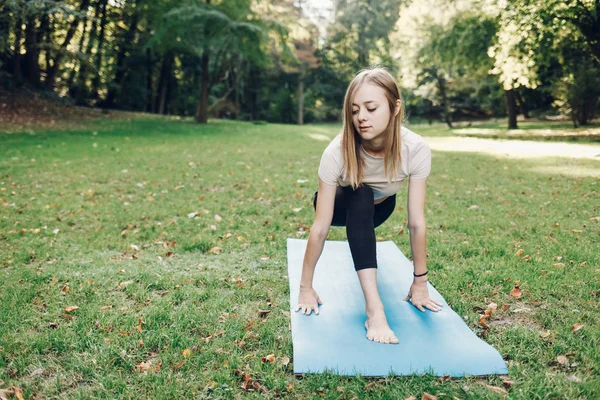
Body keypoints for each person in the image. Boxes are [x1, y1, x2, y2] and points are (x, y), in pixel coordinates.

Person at [294, 66, 443, 344]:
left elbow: (416, 222)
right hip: (339, 206)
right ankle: (374, 310)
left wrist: (420, 282)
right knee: (361, 193)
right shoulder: (336, 151)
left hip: (382, 209)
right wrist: (305, 287)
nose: (361, 117)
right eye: (354, 110)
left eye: (371, 108)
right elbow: (320, 227)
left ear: (395, 107)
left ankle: (378, 306)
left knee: (368, 198)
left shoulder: (416, 149)